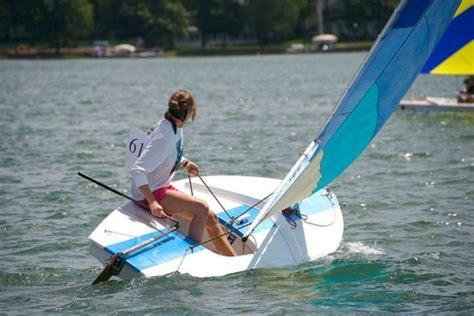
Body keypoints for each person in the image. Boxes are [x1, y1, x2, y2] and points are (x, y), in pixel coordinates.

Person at [131, 90, 237, 256]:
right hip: (149, 192)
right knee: (202, 207)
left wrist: (184, 162)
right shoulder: (165, 134)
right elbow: (138, 169)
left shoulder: (173, 126)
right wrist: (152, 202)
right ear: (189, 112)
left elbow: (164, 153)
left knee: (211, 218)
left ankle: (233, 260)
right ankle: (189, 254)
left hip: (160, 186)